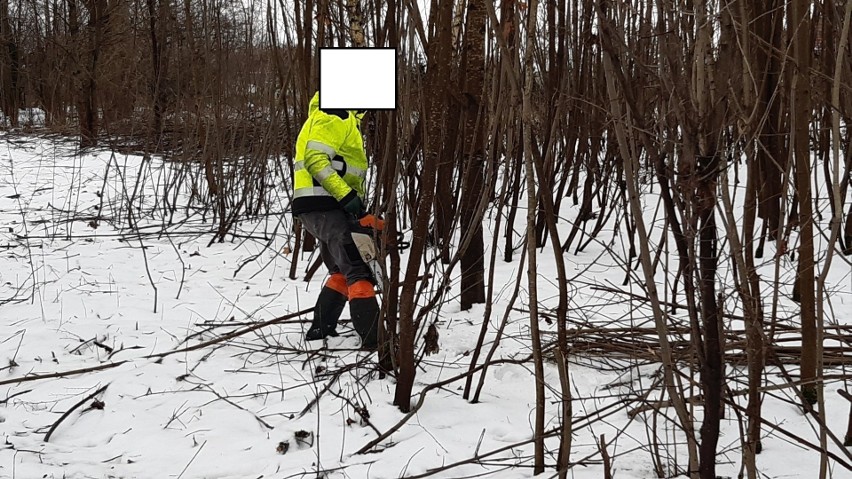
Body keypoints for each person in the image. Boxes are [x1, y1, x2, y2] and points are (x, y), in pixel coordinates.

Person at [291, 91, 380, 350]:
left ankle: (321, 329)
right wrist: (348, 197)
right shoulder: (335, 115)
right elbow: (315, 161)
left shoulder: (334, 116)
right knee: (359, 270)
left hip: (317, 207)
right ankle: (375, 342)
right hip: (327, 203)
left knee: (342, 270)